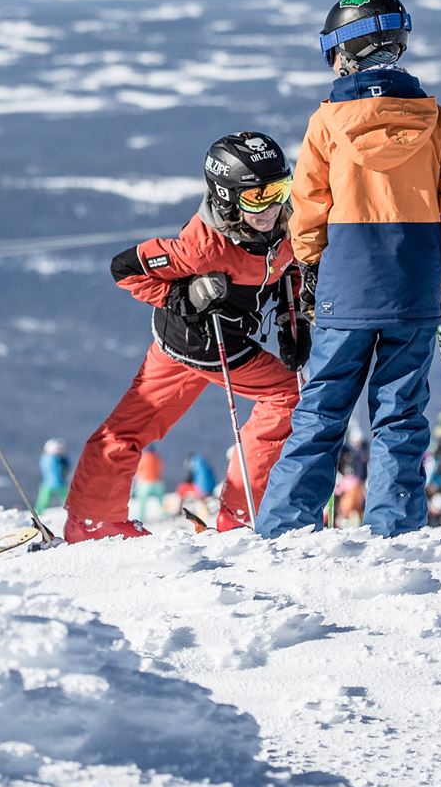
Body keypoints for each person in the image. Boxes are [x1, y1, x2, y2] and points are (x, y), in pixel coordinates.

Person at [257, 0, 441, 538]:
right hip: (415, 289)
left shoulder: (327, 123)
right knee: (401, 414)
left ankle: (285, 528)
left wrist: (311, 272)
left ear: (346, 52)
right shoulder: (437, 122)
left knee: (321, 412)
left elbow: (307, 210)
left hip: (344, 288)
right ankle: (395, 529)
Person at [63, 133, 307, 541]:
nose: (270, 207)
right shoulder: (202, 246)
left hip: (179, 343)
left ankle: (92, 518)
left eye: (279, 189)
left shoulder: (284, 224)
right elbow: (126, 269)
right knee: (286, 395)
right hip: (209, 342)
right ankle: (244, 510)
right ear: (227, 198)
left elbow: (290, 266)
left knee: (131, 425)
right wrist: (184, 296)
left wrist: (291, 319)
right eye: (256, 198)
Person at [133, 444, 168, 523]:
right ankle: (166, 515)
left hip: (145, 483)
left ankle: (140, 518)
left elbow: (138, 470)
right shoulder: (158, 458)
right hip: (158, 483)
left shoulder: (143, 458)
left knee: (141, 502)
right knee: (162, 501)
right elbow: (161, 469)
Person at [37, 438, 73, 514]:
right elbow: (61, 469)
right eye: (59, 449)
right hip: (58, 482)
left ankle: (38, 513)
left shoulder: (45, 458)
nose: (62, 451)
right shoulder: (53, 459)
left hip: (47, 483)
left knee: (43, 501)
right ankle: (72, 511)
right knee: (67, 500)